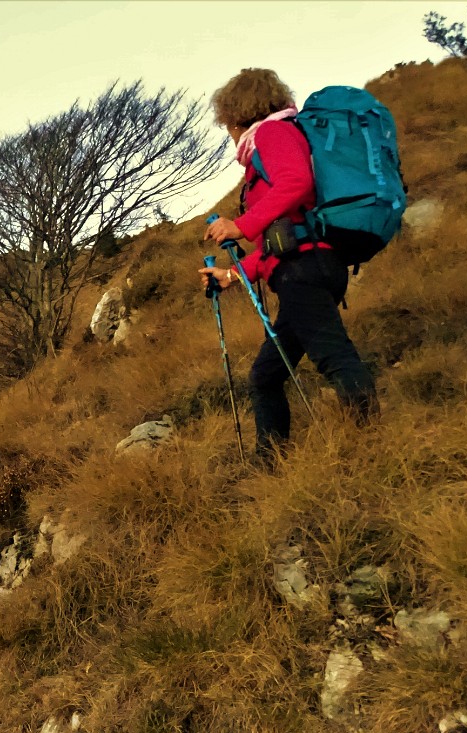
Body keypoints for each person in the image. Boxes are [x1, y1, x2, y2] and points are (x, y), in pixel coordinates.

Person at [198, 68, 378, 464]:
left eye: (225, 120)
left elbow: (295, 182)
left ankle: (371, 450)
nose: (226, 129)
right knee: (266, 376)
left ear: (236, 112)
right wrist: (231, 274)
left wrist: (241, 225)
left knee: (334, 357)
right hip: (305, 265)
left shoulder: (272, 134)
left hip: (305, 270)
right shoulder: (275, 141)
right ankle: (269, 464)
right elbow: (285, 236)